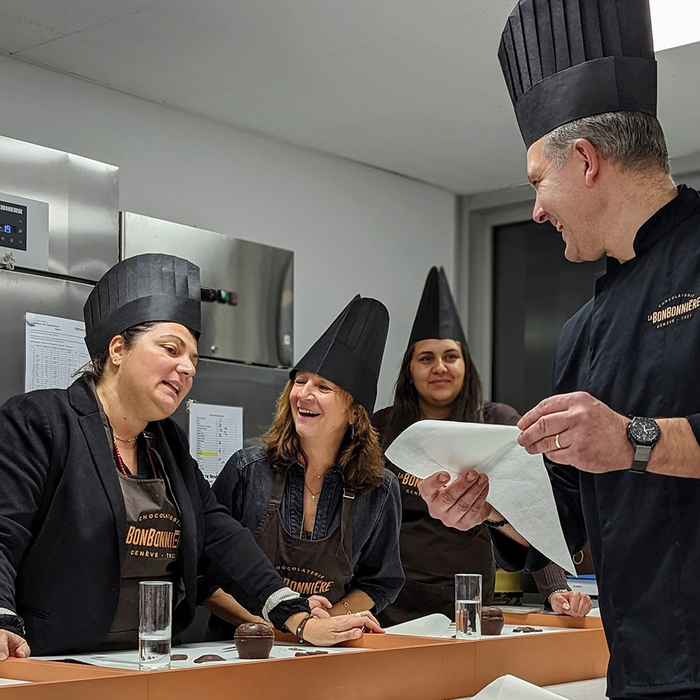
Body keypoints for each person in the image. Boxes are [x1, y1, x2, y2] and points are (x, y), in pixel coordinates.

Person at [420, 1, 700, 697]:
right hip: (640, 669)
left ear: (585, 161)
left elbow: (625, 446)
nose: (537, 210)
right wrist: (492, 506)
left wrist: (633, 439)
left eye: (536, 182)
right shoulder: (584, 330)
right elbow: (573, 516)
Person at [0, 254, 378, 660]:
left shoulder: (166, 442)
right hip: (57, 659)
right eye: (171, 349)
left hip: (156, 658)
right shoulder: (41, 422)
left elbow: (219, 532)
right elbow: (4, 530)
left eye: (194, 360)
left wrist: (293, 612)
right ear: (117, 349)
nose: (187, 368)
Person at [372, 267, 590, 626]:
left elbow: (530, 507)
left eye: (450, 356)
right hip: (387, 602)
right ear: (409, 370)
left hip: (468, 599)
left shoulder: (497, 422)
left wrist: (555, 589)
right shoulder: (382, 427)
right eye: (426, 358)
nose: (439, 367)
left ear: (466, 365)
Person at [204, 296, 404, 635]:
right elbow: (202, 573)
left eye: (323, 387)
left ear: (355, 412)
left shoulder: (379, 489)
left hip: (327, 652)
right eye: (300, 381)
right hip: (241, 649)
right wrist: (279, 625)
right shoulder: (246, 471)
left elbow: (380, 581)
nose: (304, 394)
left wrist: (328, 621)